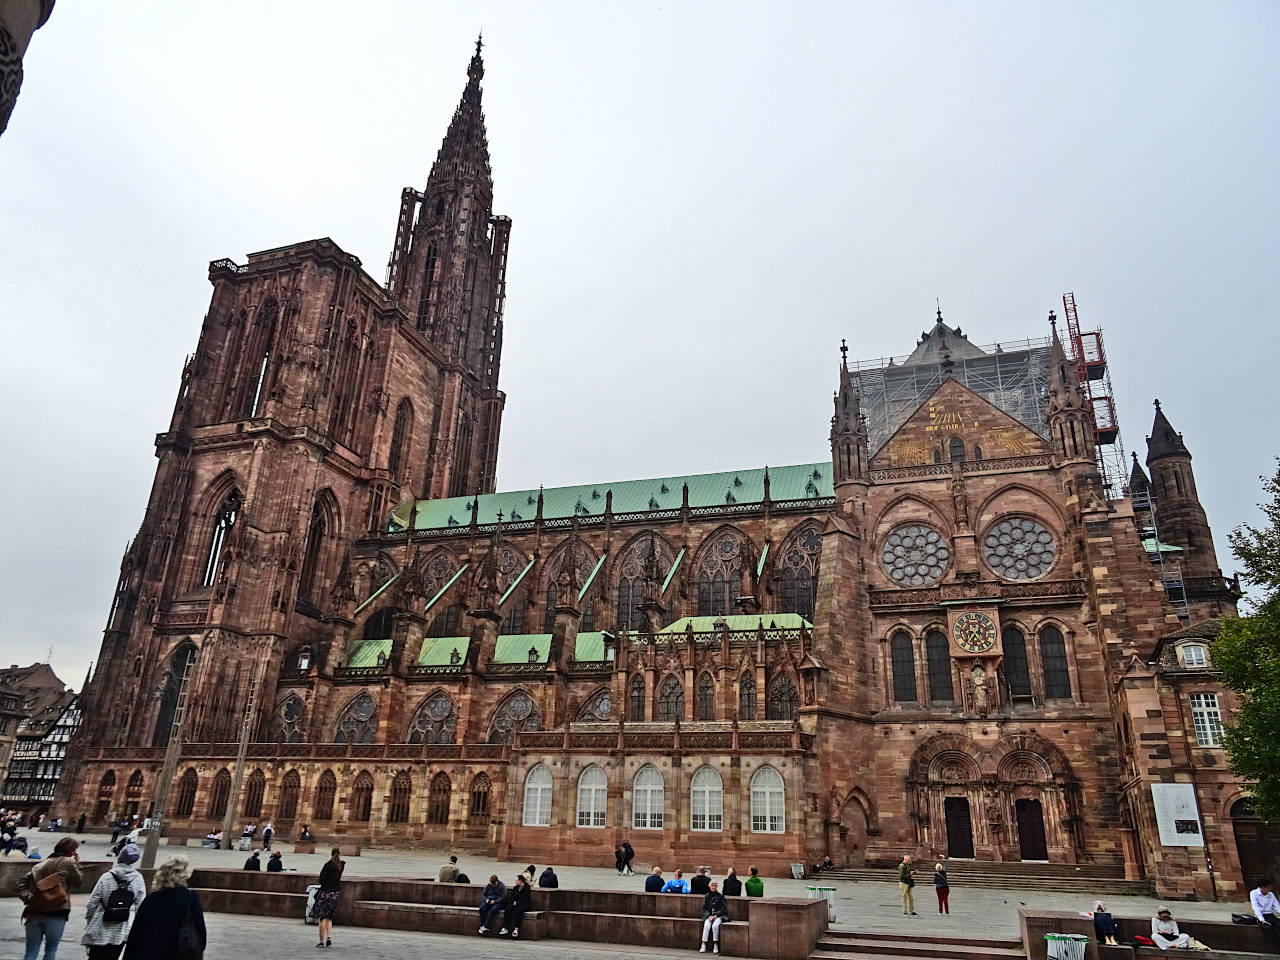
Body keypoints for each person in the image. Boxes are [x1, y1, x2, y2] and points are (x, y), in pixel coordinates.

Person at [121, 855, 206, 960]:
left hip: (149, 953)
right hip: (179, 952)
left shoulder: (151, 899)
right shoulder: (190, 898)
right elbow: (200, 930)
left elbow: (136, 933)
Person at [18, 836, 82, 960]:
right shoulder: (68, 862)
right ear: (70, 851)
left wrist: (27, 897)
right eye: (74, 849)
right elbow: (78, 882)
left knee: (30, 952)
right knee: (50, 950)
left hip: (35, 910)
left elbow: (21, 883)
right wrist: (77, 864)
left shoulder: (40, 865)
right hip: (57, 911)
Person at [81, 842, 146, 960]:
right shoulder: (138, 879)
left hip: (101, 924)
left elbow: (93, 902)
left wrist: (89, 921)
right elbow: (140, 906)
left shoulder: (106, 876)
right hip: (122, 927)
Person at [311, 847, 344, 948]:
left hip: (325, 893)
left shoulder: (328, 865)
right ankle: (329, 937)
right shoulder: (341, 865)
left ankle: (321, 941)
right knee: (329, 918)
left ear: (331, 854)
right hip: (335, 893)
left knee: (322, 918)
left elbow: (322, 879)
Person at [699, 880, 729, 954]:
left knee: (715, 926)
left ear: (717, 886)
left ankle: (715, 944)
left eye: (714, 885)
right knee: (706, 926)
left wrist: (716, 915)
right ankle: (703, 944)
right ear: (709, 886)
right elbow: (704, 908)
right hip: (709, 916)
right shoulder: (707, 896)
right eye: (712, 885)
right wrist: (708, 916)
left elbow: (723, 908)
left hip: (719, 916)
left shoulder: (721, 896)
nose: (713, 887)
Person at [499, 874, 532, 938]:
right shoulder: (516, 888)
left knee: (518, 911)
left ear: (520, 881)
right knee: (508, 909)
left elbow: (524, 898)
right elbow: (512, 897)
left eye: (517, 880)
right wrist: (512, 903)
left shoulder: (526, 888)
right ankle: (505, 927)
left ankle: (516, 928)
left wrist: (517, 903)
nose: (515, 881)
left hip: (525, 905)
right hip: (515, 904)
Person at [1251, 877, 1280, 943]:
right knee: (1271, 929)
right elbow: (1256, 907)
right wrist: (1262, 920)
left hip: (1270, 915)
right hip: (1261, 916)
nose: (1269, 889)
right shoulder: (1254, 893)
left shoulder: (1271, 894)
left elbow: (1277, 906)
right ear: (1262, 887)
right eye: (1268, 888)